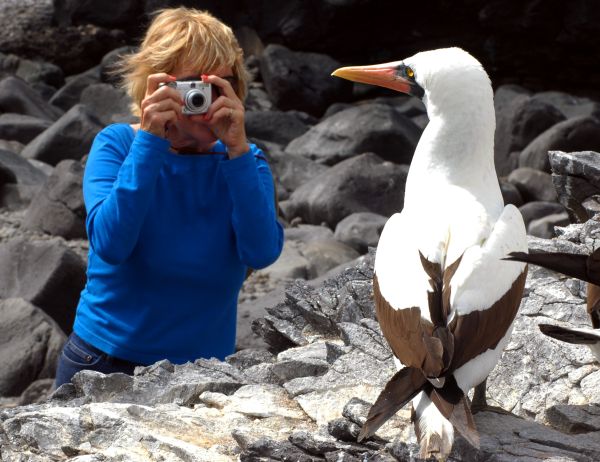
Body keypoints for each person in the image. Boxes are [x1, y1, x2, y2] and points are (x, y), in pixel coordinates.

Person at [54, 7, 284, 388]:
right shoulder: (117, 146)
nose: (204, 101)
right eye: (193, 86)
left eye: (219, 85)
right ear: (156, 86)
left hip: (202, 370)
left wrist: (237, 151)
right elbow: (111, 243)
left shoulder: (246, 161)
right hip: (103, 360)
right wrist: (150, 143)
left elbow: (261, 253)